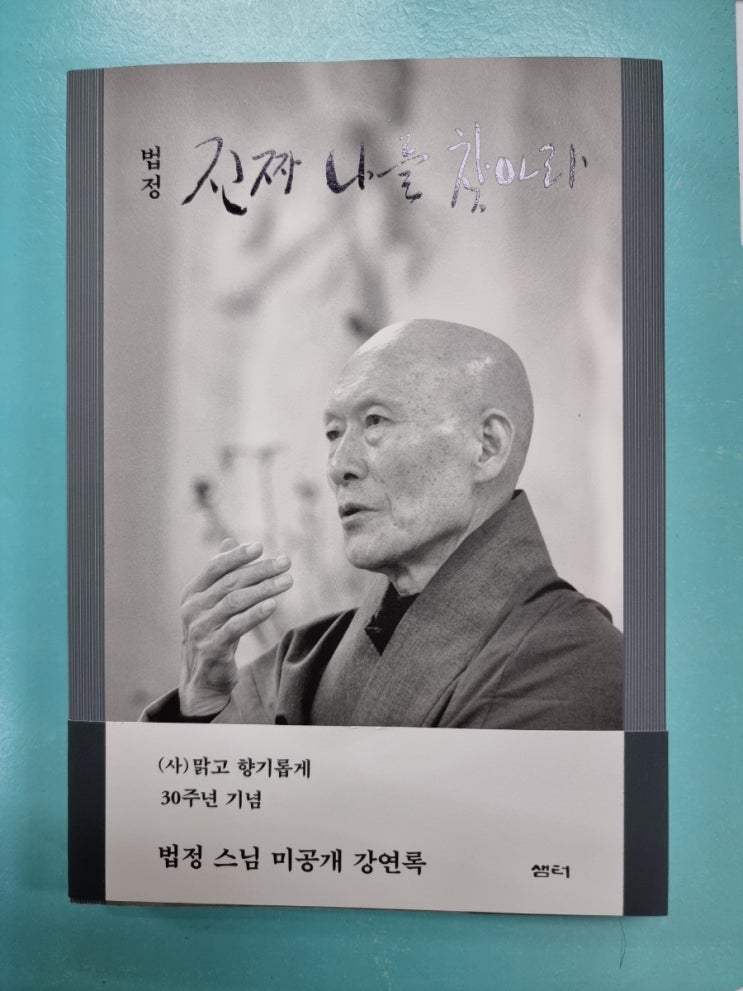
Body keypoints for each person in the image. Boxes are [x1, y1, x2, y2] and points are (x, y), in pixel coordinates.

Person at [143, 318, 622, 729]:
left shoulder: (575, 659)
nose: (338, 466)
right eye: (334, 433)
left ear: (487, 446)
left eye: (375, 421)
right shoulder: (309, 661)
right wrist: (203, 705)